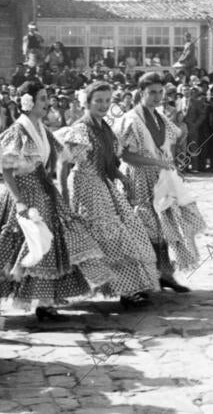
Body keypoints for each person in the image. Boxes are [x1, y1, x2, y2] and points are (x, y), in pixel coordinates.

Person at [0, 81, 111, 322]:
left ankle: (45, 303)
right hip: (24, 192)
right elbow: (7, 171)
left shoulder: (42, 130)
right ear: (27, 103)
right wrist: (19, 201)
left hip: (44, 192)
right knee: (13, 244)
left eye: (46, 98)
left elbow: (60, 155)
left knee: (47, 245)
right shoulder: (18, 131)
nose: (47, 103)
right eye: (42, 98)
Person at [56, 82, 159, 308]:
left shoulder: (104, 128)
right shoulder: (81, 129)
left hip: (102, 184)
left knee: (123, 232)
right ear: (87, 102)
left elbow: (109, 162)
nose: (103, 105)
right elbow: (63, 164)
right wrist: (63, 194)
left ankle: (126, 288)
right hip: (85, 187)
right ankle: (81, 287)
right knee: (99, 236)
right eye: (98, 101)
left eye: (106, 101)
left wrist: (122, 178)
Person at [116, 72, 207, 292]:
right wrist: (154, 162)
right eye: (152, 93)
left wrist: (171, 167)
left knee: (165, 225)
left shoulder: (161, 117)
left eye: (160, 92)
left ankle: (165, 273)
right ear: (140, 93)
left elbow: (168, 146)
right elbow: (124, 155)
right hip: (138, 178)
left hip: (161, 177)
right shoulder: (131, 119)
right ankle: (144, 278)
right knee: (143, 227)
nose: (157, 97)